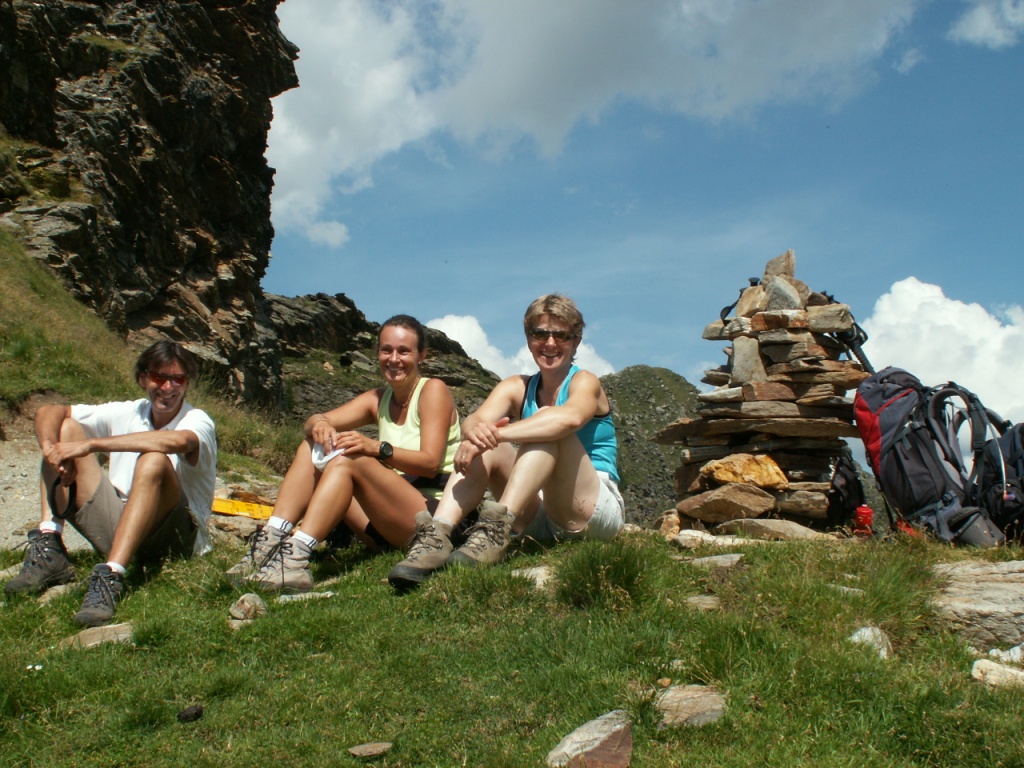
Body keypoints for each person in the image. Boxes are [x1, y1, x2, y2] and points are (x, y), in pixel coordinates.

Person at [388, 294, 624, 590]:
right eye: (540, 333)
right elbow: (473, 420)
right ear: (528, 338)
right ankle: (437, 535)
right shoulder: (518, 386)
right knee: (486, 445)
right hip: (538, 510)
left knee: (546, 424)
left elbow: (570, 419)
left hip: (591, 509)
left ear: (576, 342)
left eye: (561, 335)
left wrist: (497, 433)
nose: (550, 343)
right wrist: (477, 434)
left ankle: (495, 529)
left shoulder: (585, 382)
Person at [227, 314, 461, 593]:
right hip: (383, 519)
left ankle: (295, 558)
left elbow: (430, 463)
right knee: (314, 445)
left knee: (350, 459)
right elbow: (314, 420)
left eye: (404, 351)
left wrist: (377, 448)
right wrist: (321, 424)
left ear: (421, 355)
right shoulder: (378, 398)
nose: (394, 359)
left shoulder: (433, 390)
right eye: (386, 350)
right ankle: (270, 541)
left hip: (427, 520)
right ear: (377, 353)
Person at [4, 341, 217, 627]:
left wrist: (91, 445)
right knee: (65, 429)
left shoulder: (197, 419)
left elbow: (177, 441)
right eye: (159, 377)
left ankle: (111, 576)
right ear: (143, 378)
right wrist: (52, 451)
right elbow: (49, 411)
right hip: (121, 522)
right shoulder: (130, 411)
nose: (168, 387)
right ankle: (49, 544)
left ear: (187, 383)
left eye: (178, 379)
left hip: (175, 537)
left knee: (153, 459)